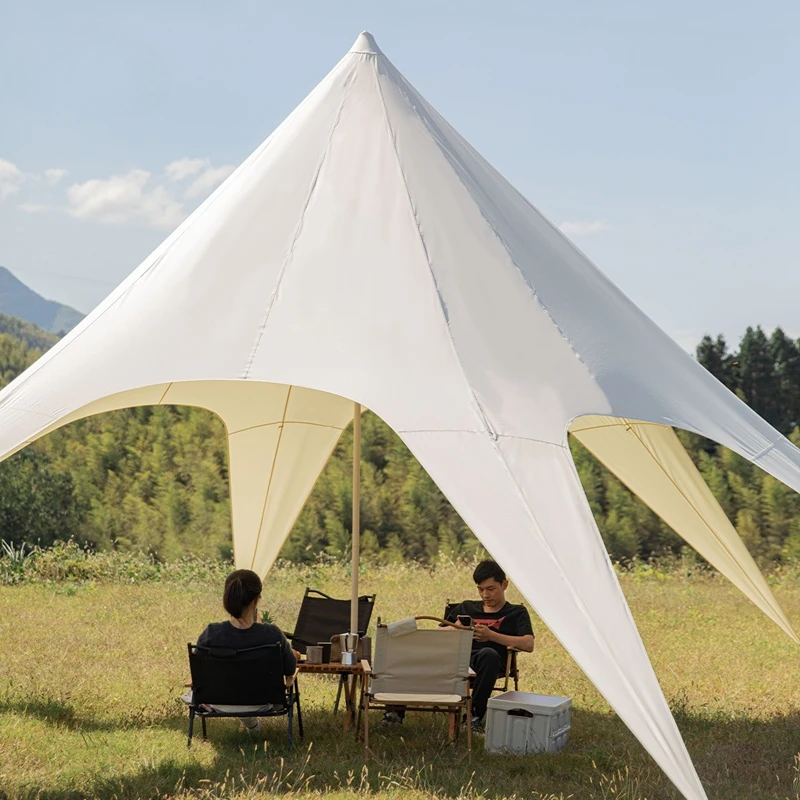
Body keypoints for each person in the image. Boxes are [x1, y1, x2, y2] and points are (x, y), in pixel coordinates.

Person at [382, 559, 534, 732]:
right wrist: (456, 628)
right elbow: (437, 634)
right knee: (409, 650)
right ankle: (394, 712)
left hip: (488, 662)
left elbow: (528, 644)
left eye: (491, 589)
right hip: (455, 657)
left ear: (504, 585)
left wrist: (492, 635)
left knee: (488, 654)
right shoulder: (467, 607)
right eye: (480, 589)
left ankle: (472, 717)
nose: (485, 595)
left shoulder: (516, 612)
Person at [189, 569, 297, 732]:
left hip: (217, 702)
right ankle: (253, 728)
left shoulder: (211, 633)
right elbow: (290, 668)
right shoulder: (272, 634)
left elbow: (198, 674)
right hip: (262, 702)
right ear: (257, 599)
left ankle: (252, 728)